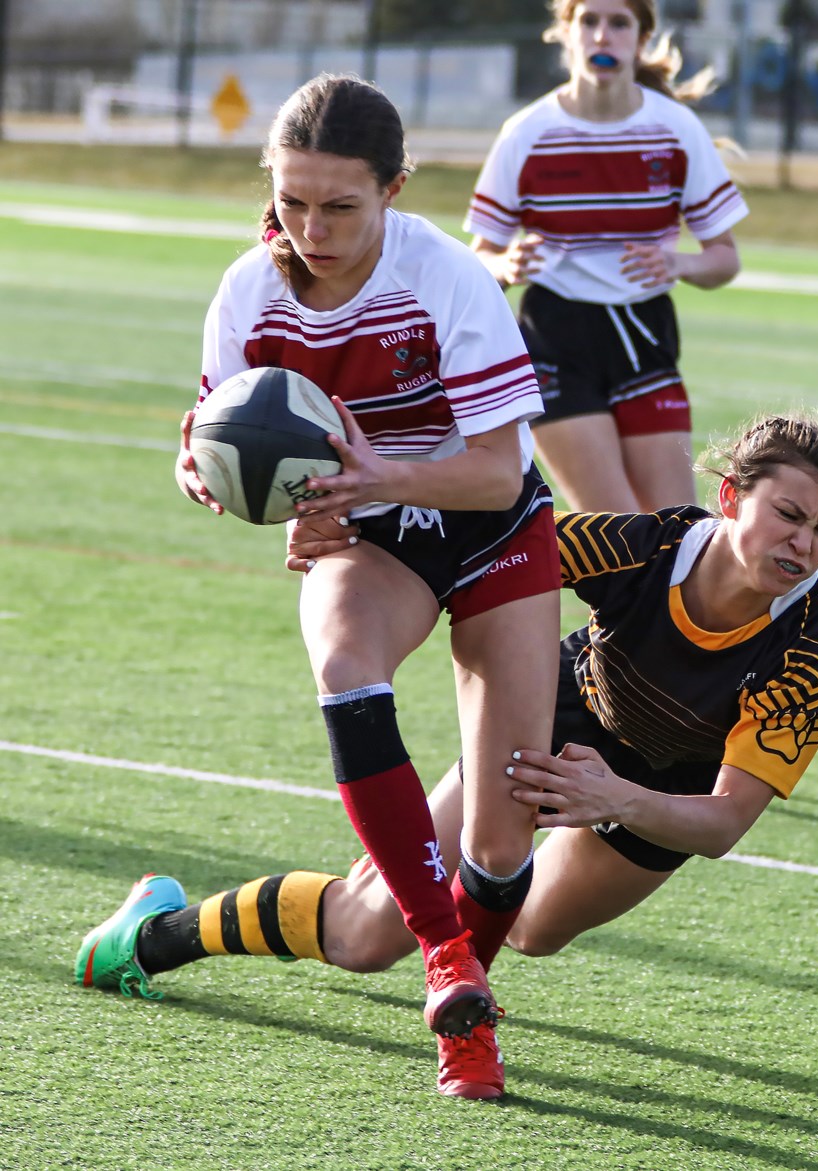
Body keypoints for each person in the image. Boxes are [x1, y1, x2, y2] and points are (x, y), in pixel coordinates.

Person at [77, 413, 818, 1092]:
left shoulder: (814, 645)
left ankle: (463, 951)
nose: (802, 544)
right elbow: (483, 557)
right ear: (730, 497)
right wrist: (344, 525)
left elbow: (725, 820)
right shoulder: (645, 546)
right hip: (560, 709)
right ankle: (157, 930)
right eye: (788, 514)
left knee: (528, 928)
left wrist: (615, 798)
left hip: (665, 789)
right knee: (366, 933)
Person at [76, 74, 564, 1102]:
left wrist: (376, 473)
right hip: (370, 536)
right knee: (344, 660)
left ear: (394, 189)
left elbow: (491, 467)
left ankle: (424, 951)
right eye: (293, 201)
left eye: (340, 205)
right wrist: (211, 475)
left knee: (504, 828)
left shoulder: (445, 277)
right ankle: (453, 980)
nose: (313, 227)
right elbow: (216, 435)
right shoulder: (251, 287)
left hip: (492, 529)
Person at [465, 0, 749, 514]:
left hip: (645, 333)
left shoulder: (675, 129)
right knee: (618, 543)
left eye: (619, 23)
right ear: (565, 35)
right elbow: (477, 259)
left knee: (676, 532)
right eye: (588, 22)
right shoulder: (527, 133)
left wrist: (678, 264)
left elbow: (725, 259)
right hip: (554, 337)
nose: (602, 36)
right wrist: (505, 265)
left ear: (641, 40)